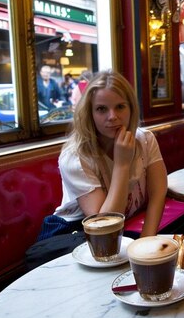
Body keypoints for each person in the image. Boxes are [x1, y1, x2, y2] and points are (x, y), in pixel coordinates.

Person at [52, 69, 168, 237]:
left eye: (120, 106)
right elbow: (104, 227)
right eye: (101, 109)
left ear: (131, 108)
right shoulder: (75, 157)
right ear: (90, 114)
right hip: (75, 233)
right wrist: (122, 164)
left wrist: (146, 241)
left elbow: (158, 194)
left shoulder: (145, 140)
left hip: (120, 230)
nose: (112, 116)